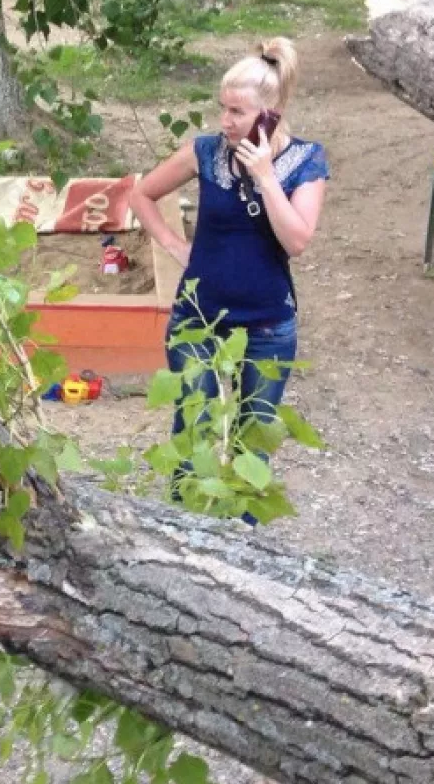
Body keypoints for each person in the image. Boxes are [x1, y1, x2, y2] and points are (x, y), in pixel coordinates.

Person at [129, 38, 329, 485]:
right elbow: (142, 193)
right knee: (193, 436)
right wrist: (173, 245)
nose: (225, 121)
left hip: (266, 327)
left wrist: (264, 177)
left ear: (271, 112)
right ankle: (184, 535)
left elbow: (297, 240)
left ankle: (241, 545)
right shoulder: (206, 152)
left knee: (252, 446)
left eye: (237, 112)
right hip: (197, 319)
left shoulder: (306, 161)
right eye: (223, 108)